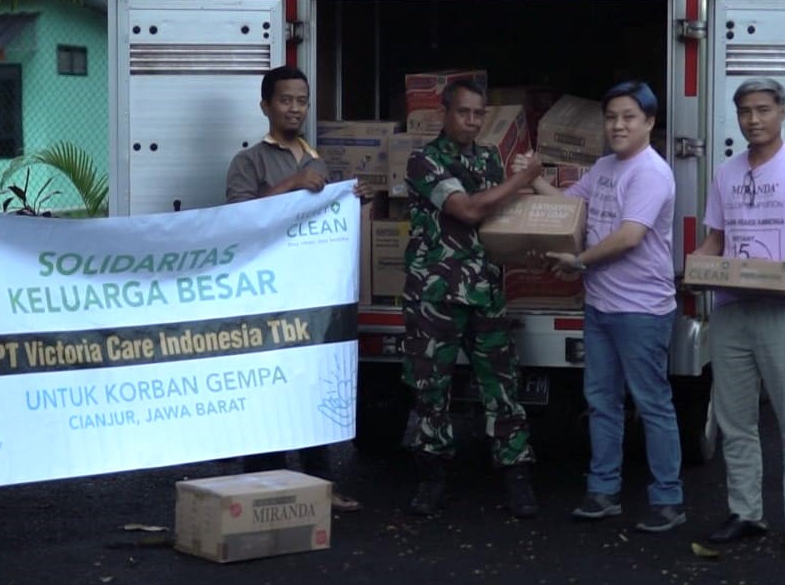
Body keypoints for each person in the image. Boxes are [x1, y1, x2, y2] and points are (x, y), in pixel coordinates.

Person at [516, 80, 685, 532]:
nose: (618, 124)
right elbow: (573, 207)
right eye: (611, 117)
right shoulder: (607, 165)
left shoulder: (650, 172)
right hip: (602, 306)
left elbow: (630, 235)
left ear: (650, 122)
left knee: (652, 404)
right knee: (601, 402)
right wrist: (533, 180)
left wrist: (580, 261)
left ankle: (668, 499)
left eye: (629, 116)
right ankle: (603, 491)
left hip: (642, 310)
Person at [693, 77, 785, 554]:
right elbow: (717, 240)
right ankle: (746, 513)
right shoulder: (726, 174)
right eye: (744, 112)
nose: (753, 120)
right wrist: (699, 264)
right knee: (736, 421)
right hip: (732, 309)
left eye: (762, 110)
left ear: (782, 112)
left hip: (784, 307)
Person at [226, 64, 371, 513]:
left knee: (311, 391)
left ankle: (320, 490)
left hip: (308, 299)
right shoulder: (248, 161)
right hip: (266, 299)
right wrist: (293, 185)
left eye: (302, 100)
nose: (295, 108)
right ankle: (262, 491)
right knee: (268, 394)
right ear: (266, 105)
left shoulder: (316, 160)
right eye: (286, 100)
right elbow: (236, 220)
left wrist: (350, 202)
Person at [402, 77, 543, 519]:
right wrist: (524, 176)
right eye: (463, 112)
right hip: (435, 295)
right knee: (431, 391)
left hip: (484, 293)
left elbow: (503, 216)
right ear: (444, 113)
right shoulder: (424, 160)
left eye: (479, 113)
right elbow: (468, 210)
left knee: (502, 389)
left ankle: (516, 478)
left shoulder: (488, 159)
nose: (472, 120)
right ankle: (432, 479)